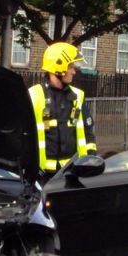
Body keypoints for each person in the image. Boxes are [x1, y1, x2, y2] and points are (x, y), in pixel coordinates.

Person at [27, 41, 97, 180]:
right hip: (42, 176)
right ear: (59, 67)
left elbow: (88, 133)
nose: (74, 71)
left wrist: (91, 161)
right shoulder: (34, 95)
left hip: (72, 173)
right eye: (71, 66)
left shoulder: (77, 96)